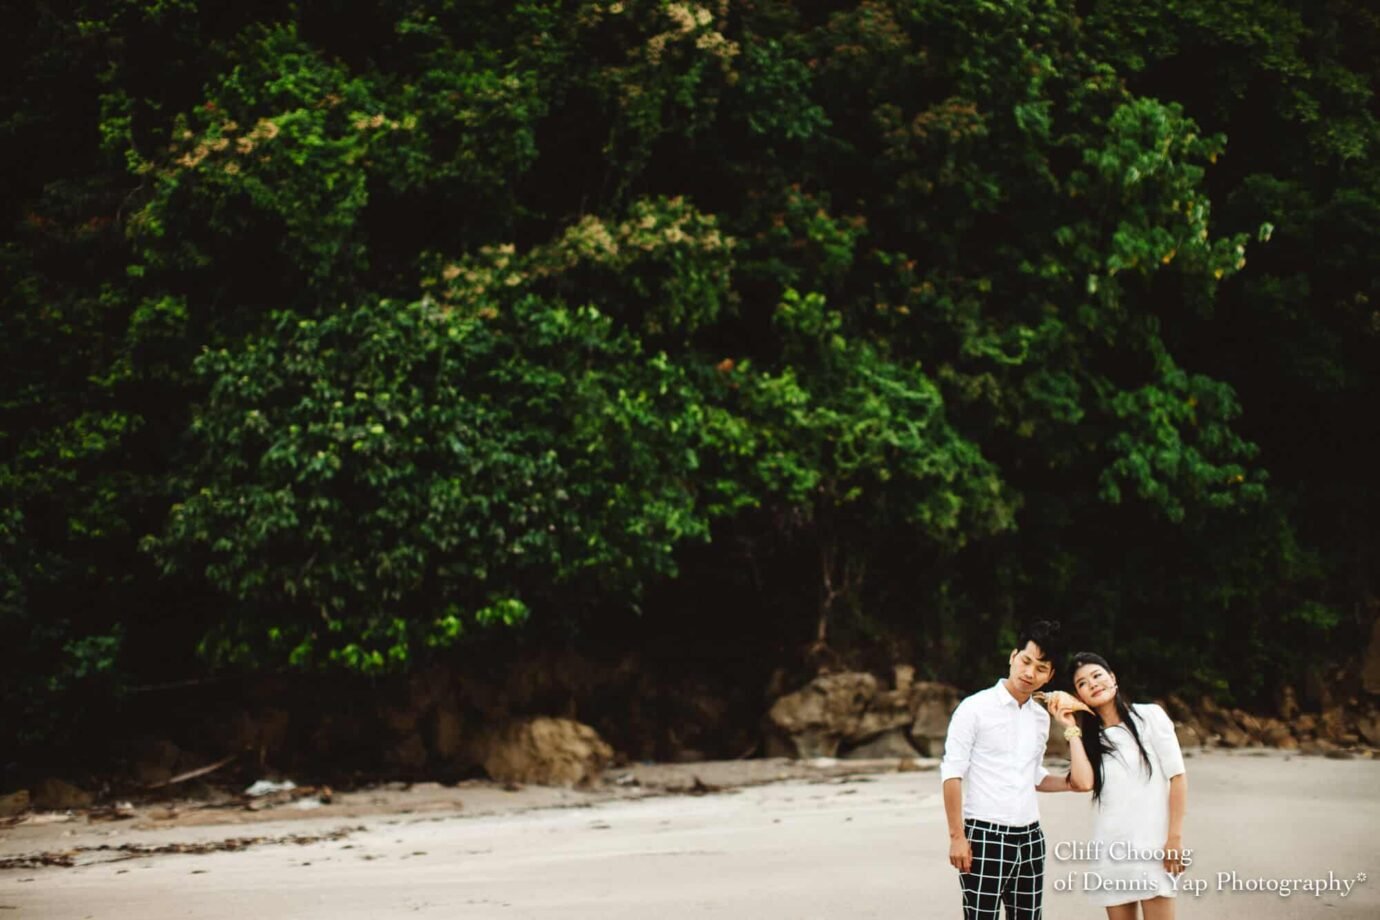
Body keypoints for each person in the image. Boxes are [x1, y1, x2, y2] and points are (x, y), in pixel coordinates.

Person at [941, 620, 1083, 919]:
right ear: (1013, 656)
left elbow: (1033, 776)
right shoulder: (974, 708)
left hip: (1031, 837)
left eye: (1041, 668)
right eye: (1026, 661)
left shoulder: (1040, 718)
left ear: (1050, 675)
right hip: (984, 836)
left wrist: (1069, 783)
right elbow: (952, 773)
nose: (1030, 673)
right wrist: (957, 836)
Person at [1051, 651, 1188, 920]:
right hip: (1111, 850)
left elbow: (1178, 777)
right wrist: (1070, 727)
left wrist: (1174, 838)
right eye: (1082, 683)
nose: (1092, 684)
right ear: (1079, 697)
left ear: (1113, 678)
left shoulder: (1150, 717)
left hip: (1153, 847)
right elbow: (1083, 782)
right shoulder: (1090, 741)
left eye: (1097, 675)